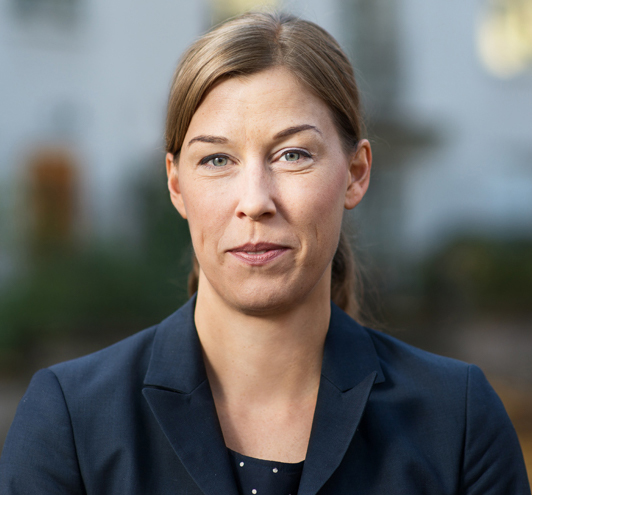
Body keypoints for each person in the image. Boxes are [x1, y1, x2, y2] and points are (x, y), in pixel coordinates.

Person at [0, 11, 530, 494]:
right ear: (176, 185)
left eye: (293, 154)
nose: (255, 201)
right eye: (216, 160)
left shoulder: (458, 420)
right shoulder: (70, 420)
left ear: (356, 173)